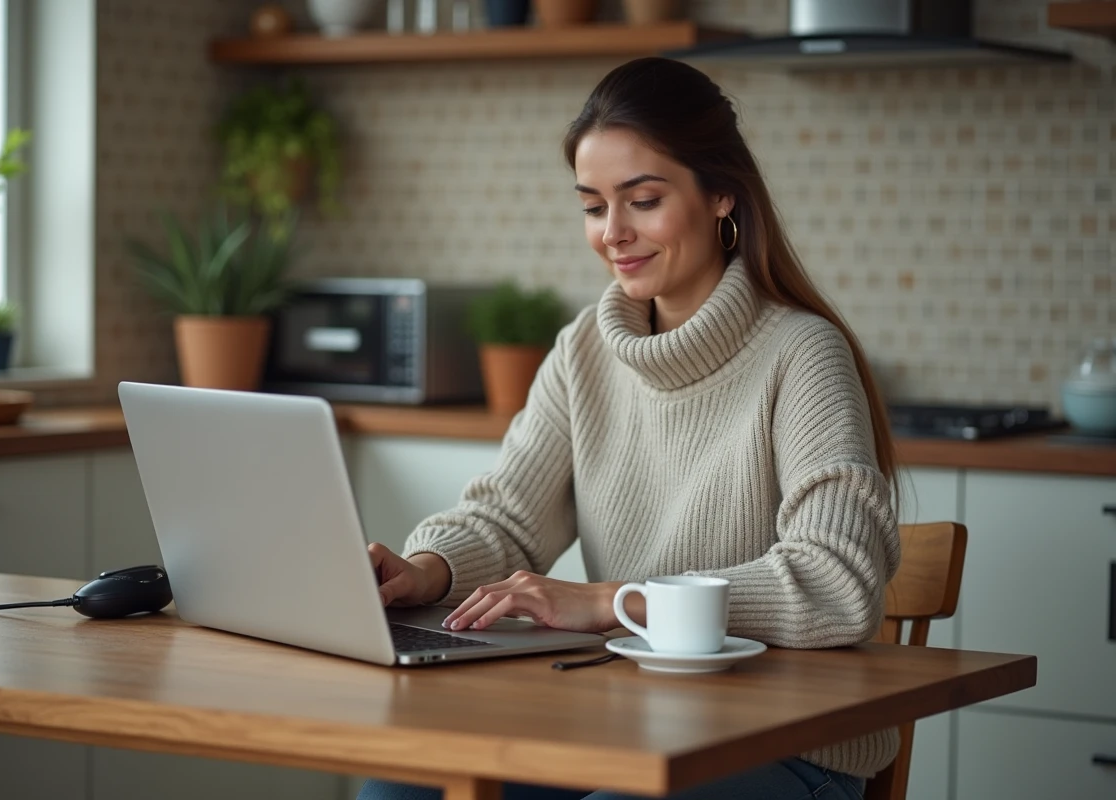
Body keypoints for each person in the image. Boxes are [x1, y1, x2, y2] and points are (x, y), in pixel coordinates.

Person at [358, 56, 901, 800]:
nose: (613, 233)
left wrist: (614, 601)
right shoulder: (585, 349)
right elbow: (507, 520)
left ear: (720, 196)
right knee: (402, 790)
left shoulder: (801, 354)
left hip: (787, 745)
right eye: (592, 205)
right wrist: (428, 572)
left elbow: (838, 584)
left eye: (642, 200)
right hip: (627, 719)